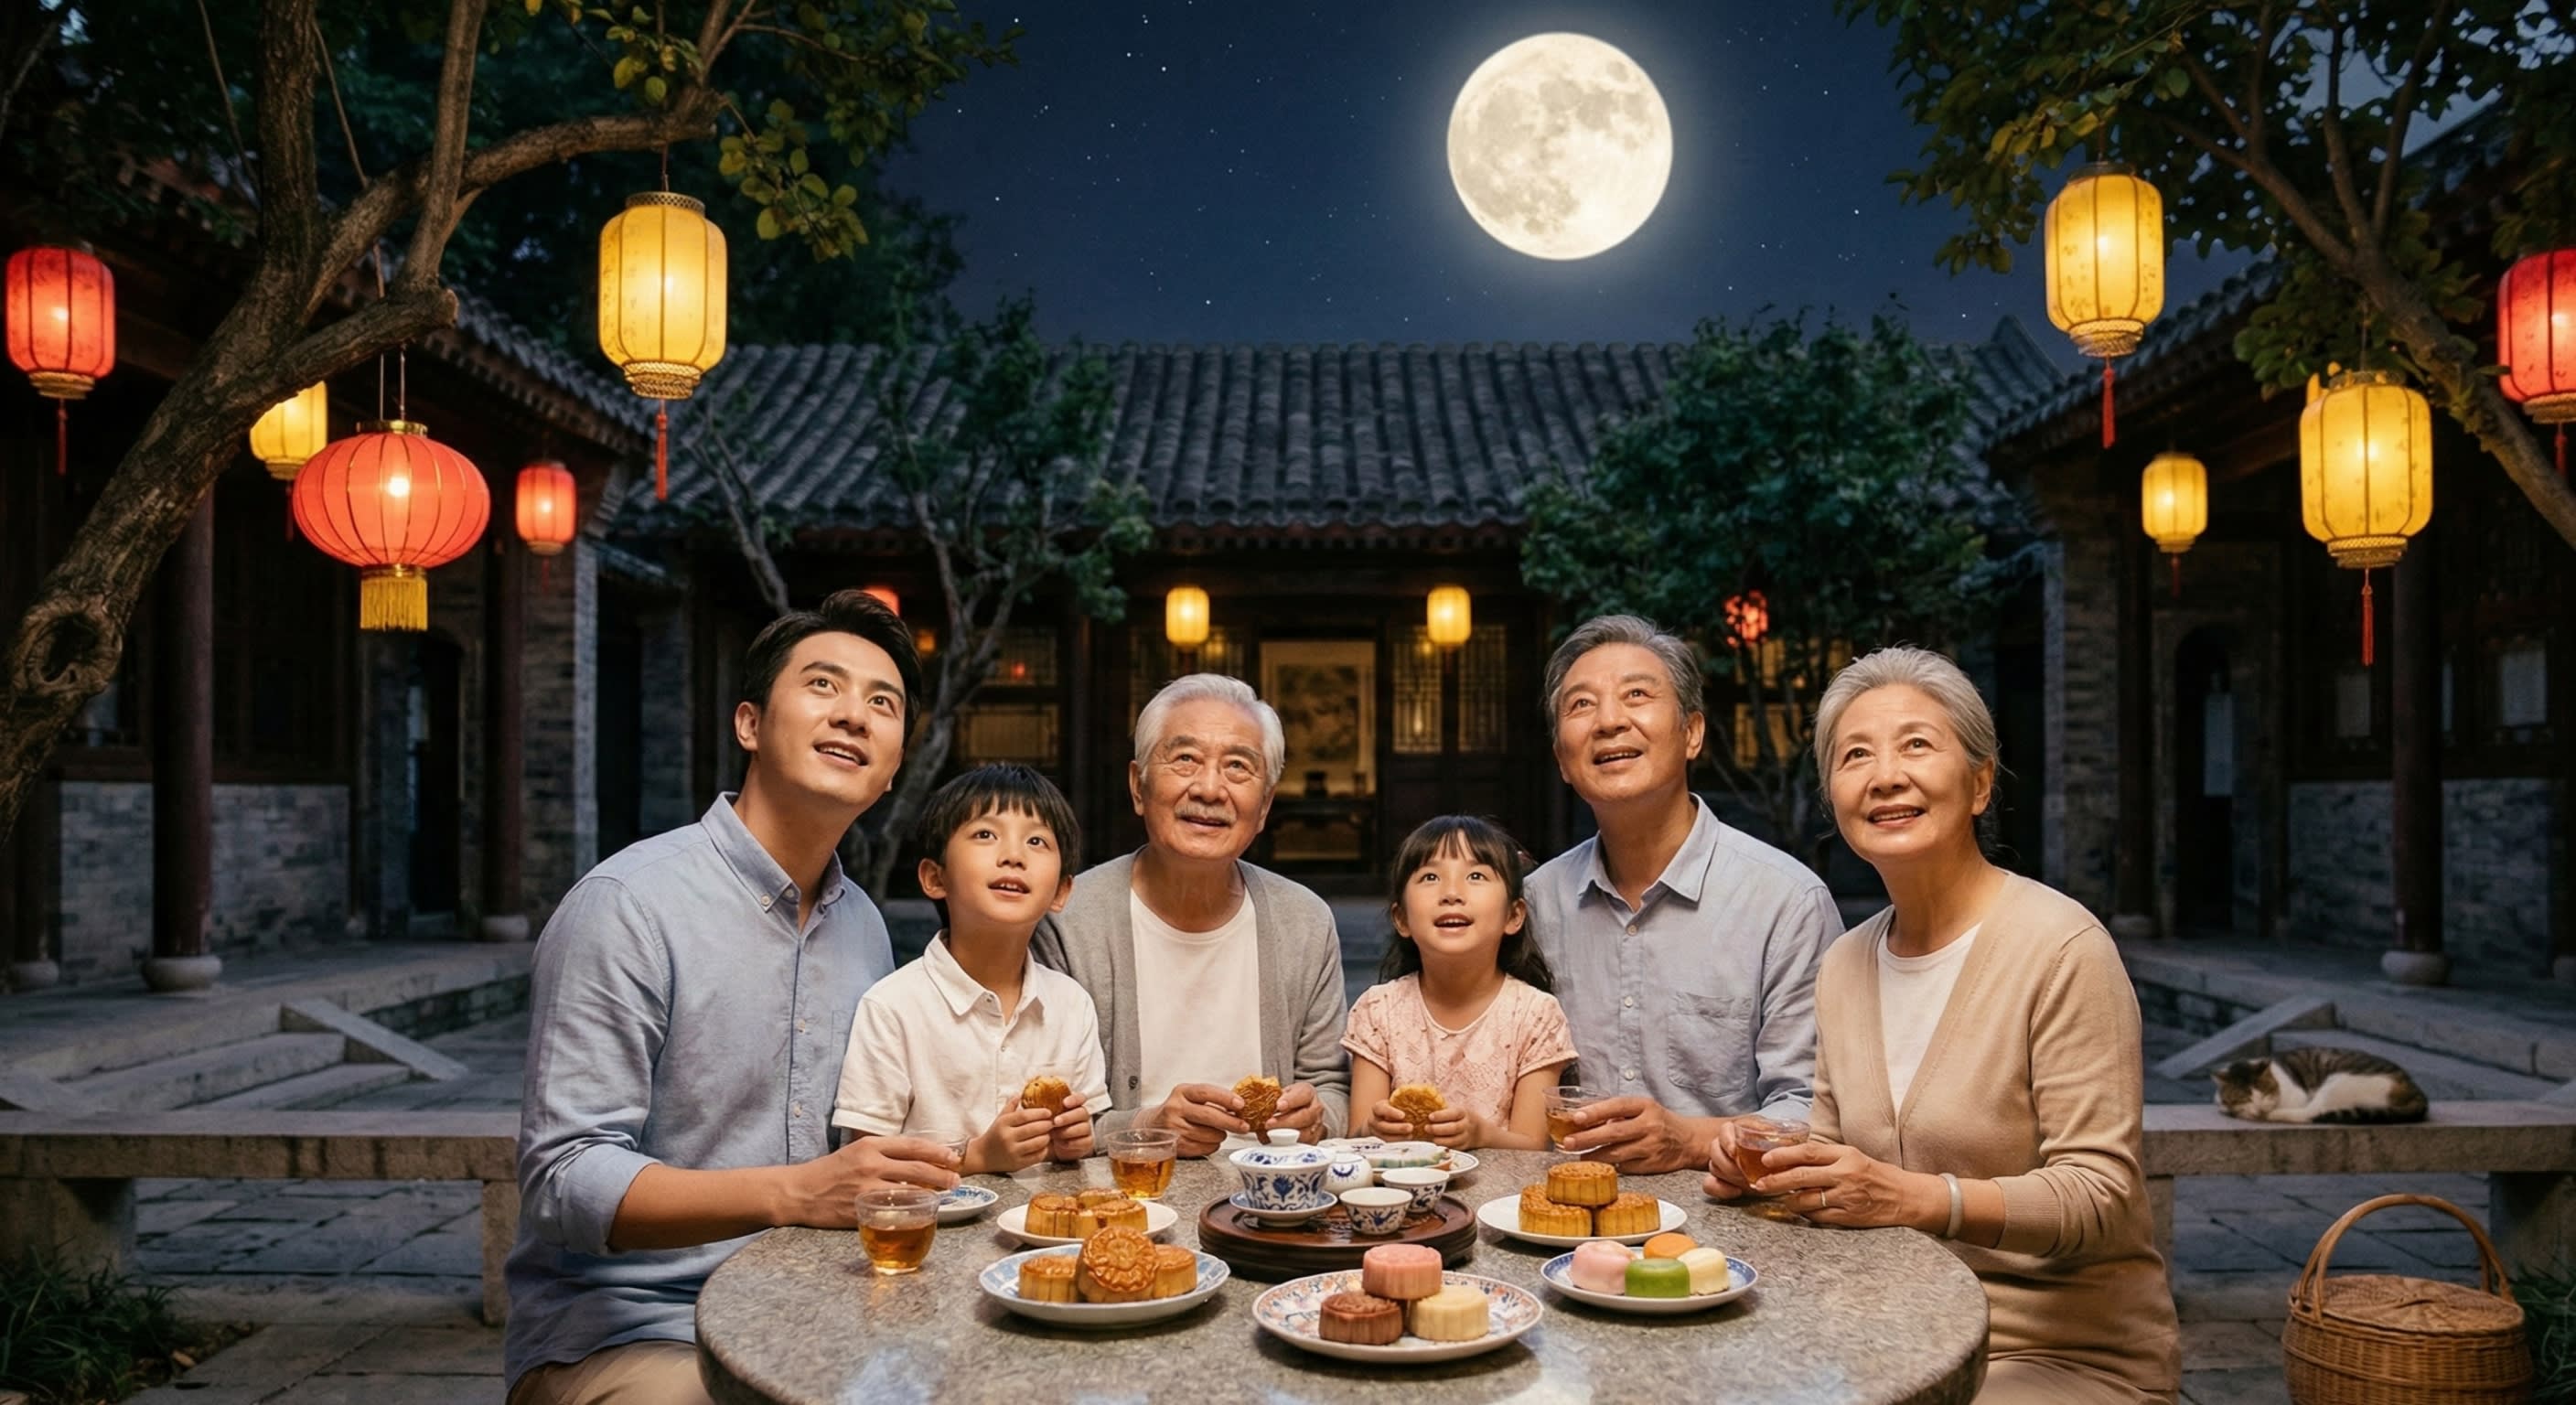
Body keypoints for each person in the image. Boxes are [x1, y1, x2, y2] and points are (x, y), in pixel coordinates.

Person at [506, 590, 957, 1405]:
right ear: (749, 724)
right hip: (642, 1323)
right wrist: (792, 1193)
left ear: (892, 771)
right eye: (823, 686)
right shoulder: (629, 905)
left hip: (821, 1311)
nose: (854, 715)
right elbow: (563, 1178)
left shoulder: (863, 927)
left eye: (881, 703)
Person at [1706, 646, 2178, 1404]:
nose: (1886, 774)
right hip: (1887, 1330)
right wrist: (1767, 1164)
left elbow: (2100, 1194)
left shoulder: (2062, 948)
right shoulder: (1846, 962)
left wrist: (1918, 1199)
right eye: (1856, 755)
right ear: (1834, 798)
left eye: (1917, 745)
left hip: (2052, 1352)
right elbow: (1835, 1151)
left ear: (1981, 782)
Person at [1525, 614, 1839, 1173]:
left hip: (1728, 1231)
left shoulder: (1785, 903)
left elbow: (1812, 1110)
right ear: (1561, 762)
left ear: (1692, 733)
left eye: (1637, 695)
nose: (1609, 721)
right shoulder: (1534, 904)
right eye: (1581, 705)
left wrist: (1688, 1141)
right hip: (1557, 1216)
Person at [1034, 673, 1350, 1155]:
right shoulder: (1070, 919)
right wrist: (1147, 1125)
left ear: (1264, 806)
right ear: (1138, 787)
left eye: (1238, 767)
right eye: (1184, 759)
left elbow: (1331, 1084)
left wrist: (1317, 1118)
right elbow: (1047, 1113)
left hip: (1269, 1205)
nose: (1209, 788)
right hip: (1124, 1199)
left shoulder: (1304, 921)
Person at [831, 764, 1107, 1172]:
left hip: (1048, 1229)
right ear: (934, 877)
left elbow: (1085, 1134)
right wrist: (975, 1158)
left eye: (1036, 841)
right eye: (985, 835)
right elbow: (865, 1166)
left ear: (1062, 891)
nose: (1013, 856)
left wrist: (1075, 1139)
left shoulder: (1072, 1004)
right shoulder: (893, 1007)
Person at [1345, 815, 1576, 1150]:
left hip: (1499, 1198)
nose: (1451, 893)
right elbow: (1356, 1140)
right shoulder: (1377, 1011)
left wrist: (1483, 1136)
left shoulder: (1536, 1015)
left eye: (1476, 875)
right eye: (1430, 877)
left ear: (1514, 916)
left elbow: (1533, 1149)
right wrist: (1373, 1129)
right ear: (1402, 919)